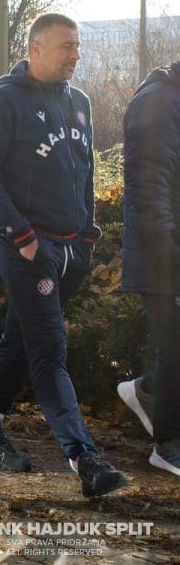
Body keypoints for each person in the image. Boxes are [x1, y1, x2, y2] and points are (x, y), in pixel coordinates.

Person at [0, 12, 129, 498]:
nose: (75, 54)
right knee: (49, 349)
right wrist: (24, 237)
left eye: (77, 46)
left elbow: (85, 172)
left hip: (71, 248)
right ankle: (84, 459)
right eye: (66, 47)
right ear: (36, 49)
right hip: (24, 246)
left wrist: (88, 234)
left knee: (20, 338)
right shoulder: (1, 103)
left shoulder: (78, 103)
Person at [121, 60, 180, 478]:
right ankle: (168, 445)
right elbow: (148, 182)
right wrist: (167, 251)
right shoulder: (158, 101)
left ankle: (148, 390)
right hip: (166, 253)